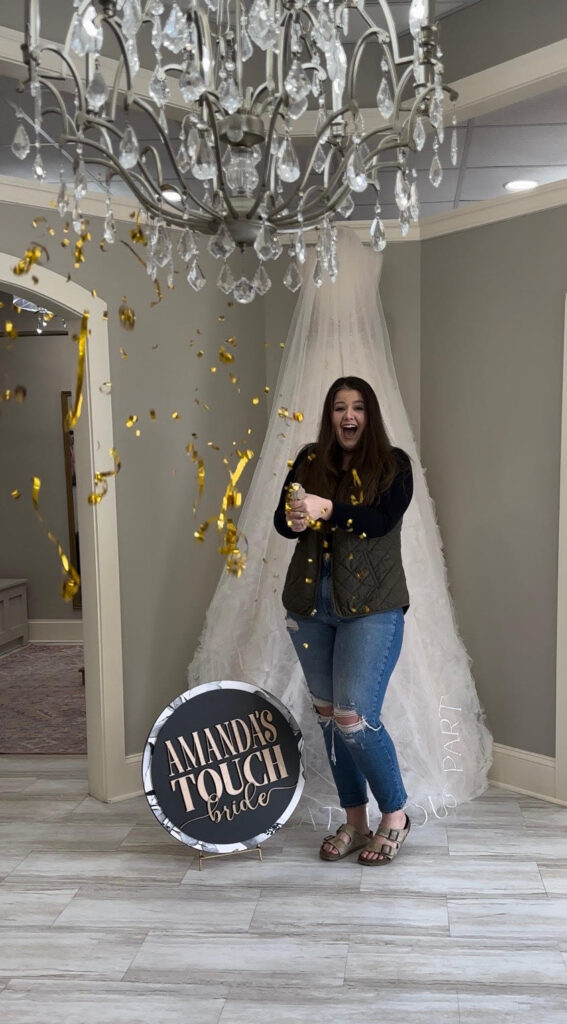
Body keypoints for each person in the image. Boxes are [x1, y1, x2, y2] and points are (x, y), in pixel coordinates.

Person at [273, 376, 414, 864]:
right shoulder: (310, 460)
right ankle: (355, 821)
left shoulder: (395, 466)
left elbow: (378, 520)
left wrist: (326, 508)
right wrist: (294, 519)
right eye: (339, 408)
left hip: (373, 608)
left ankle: (394, 815)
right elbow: (282, 522)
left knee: (355, 717)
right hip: (310, 606)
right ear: (330, 416)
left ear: (369, 415)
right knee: (331, 721)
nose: (348, 416)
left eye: (357, 408)